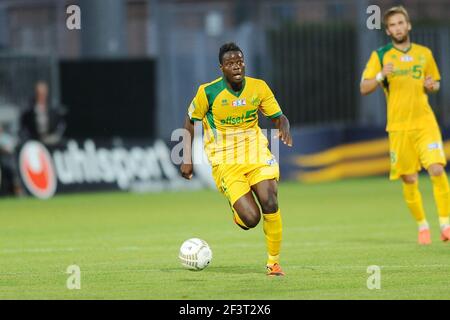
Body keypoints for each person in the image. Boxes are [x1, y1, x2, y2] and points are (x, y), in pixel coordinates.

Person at [180, 42, 293, 275]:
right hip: (226, 162)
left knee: (270, 201)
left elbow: (279, 116)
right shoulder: (208, 92)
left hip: (257, 154)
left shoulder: (258, 87)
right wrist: (187, 158)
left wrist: (283, 126)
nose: (236, 66)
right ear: (221, 67)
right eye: (230, 63)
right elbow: (191, 120)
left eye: (239, 61)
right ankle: (238, 211)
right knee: (251, 219)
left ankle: (273, 263)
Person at [360, 6, 450, 244]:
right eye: (392, 25)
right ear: (388, 30)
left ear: (408, 25)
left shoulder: (424, 53)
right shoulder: (380, 56)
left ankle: (445, 224)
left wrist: (433, 85)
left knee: (437, 169)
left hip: (425, 122)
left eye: (401, 23)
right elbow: (364, 88)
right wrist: (380, 76)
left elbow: (436, 83)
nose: (398, 28)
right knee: (409, 179)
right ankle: (422, 227)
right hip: (399, 128)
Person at [20, 81, 66, 145]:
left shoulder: (53, 111)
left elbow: (60, 126)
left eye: (43, 94)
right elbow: (24, 130)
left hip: (51, 142)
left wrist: (55, 136)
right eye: (39, 94)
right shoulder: (28, 113)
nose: (42, 96)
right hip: (35, 143)